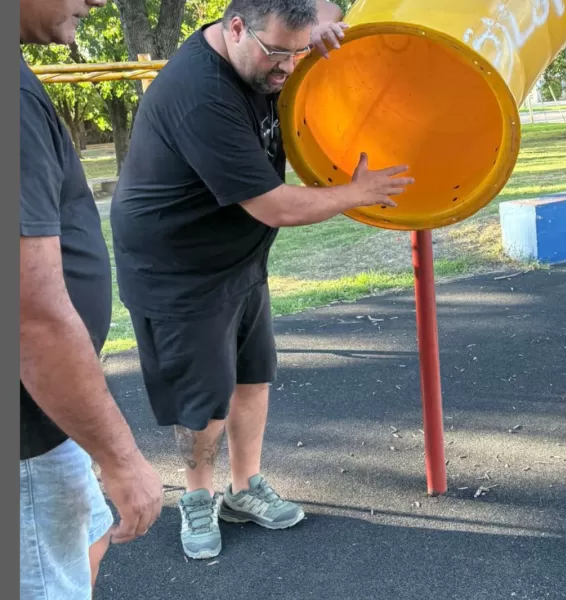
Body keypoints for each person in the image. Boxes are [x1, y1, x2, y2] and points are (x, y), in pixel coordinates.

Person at [110, 0, 413, 561]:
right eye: (280, 52)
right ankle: (197, 496)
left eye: (300, 52)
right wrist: (357, 193)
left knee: (252, 377)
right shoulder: (201, 94)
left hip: (236, 255)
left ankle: (244, 486)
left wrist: (316, 48)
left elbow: (310, 62)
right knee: (203, 400)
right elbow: (277, 206)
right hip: (178, 267)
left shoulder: (266, 55)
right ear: (235, 27)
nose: (288, 68)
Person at [19, 0, 164, 597]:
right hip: (26, 435)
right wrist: (122, 458)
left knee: (89, 541)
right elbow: (32, 318)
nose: (97, 2)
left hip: (43, 420)